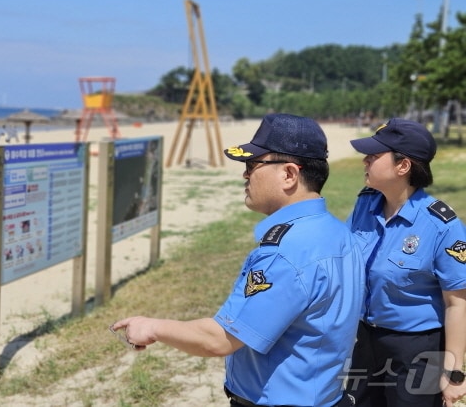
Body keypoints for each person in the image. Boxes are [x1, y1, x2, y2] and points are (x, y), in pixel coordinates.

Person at [112, 113, 364, 407]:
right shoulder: (338, 232)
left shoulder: (285, 251)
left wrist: (151, 327)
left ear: (289, 175)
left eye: (253, 165)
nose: (245, 175)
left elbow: (220, 339)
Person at [344, 118, 466, 407]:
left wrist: (453, 372)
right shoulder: (365, 204)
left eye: (374, 156)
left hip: (418, 351)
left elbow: (458, 303)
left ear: (403, 166)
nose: (365, 160)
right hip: (365, 340)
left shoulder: (442, 225)